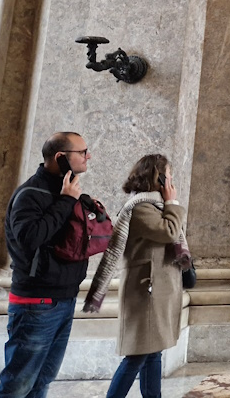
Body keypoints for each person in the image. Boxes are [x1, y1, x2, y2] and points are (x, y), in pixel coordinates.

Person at [0, 132, 91, 398]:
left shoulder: (66, 191)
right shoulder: (30, 194)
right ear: (61, 157)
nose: (88, 156)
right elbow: (30, 238)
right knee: (18, 386)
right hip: (36, 303)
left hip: (63, 300)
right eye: (82, 152)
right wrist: (66, 201)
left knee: (42, 382)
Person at [87, 154, 187, 398]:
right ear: (158, 177)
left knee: (153, 352)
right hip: (146, 290)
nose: (171, 180)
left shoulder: (153, 206)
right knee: (137, 355)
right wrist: (172, 203)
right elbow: (169, 232)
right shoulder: (141, 208)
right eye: (168, 175)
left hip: (156, 290)